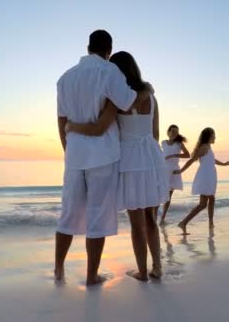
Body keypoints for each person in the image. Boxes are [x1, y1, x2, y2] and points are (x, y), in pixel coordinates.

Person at [55, 30, 150, 286]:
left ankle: (58, 270)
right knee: (97, 215)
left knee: (68, 213)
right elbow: (128, 102)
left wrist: (70, 150)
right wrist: (146, 90)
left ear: (88, 48)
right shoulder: (110, 72)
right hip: (103, 155)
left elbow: (61, 121)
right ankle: (90, 275)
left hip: (74, 154)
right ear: (109, 50)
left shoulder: (65, 78)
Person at [66, 51, 168, 281]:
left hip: (130, 159)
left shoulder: (118, 100)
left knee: (136, 222)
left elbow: (101, 127)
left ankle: (142, 272)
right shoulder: (151, 97)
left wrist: (73, 127)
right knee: (151, 218)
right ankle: (157, 267)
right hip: (151, 158)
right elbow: (155, 133)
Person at [174, 128, 229, 234]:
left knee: (212, 199)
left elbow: (212, 160)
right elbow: (191, 160)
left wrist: (223, 164)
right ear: (209, 136)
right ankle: (183, 222)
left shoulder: (208, 147)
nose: (215, 137)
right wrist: (180, 171)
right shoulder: (204, 148)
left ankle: (210, 223)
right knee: (203, 204)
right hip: (205, 177)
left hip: (210, 176)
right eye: (214, 135)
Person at [159, 125, 190, 225]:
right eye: (172, 131)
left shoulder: (179, 144)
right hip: (163, 169)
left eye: (176, 132)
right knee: (159, 192)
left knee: (168, 196)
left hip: (173, 170)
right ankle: (156, 213)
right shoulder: (163, 143)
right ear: (168, 132)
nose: (174, 133)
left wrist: (174, 155)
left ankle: (162, 218)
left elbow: (188, 155)